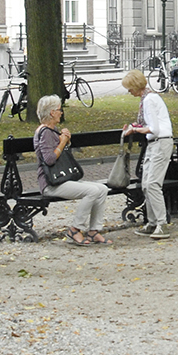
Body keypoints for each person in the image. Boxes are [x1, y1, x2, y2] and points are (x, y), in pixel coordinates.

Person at [34, 94, 112, 245]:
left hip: (62, 179)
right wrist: (63, 142)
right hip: (51, 184)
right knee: (92, 191)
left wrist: (66, 141)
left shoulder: (52, 130)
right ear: (52, 113)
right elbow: (49, 159)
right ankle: (75, 229)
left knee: (102, 189)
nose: (61, 112)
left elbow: (60, 153)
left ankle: (94, 231)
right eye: (59, 109)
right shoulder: (45, 133)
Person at [122, 68, 173, 239]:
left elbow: (154, 129)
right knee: (146, 184)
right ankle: (152, 222)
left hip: (160, 142)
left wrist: (135, 130)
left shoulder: (150, 100)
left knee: (152, 184)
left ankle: (161, 223)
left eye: (130, 88)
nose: (129, 92)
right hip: (154, 143)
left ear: (136, 86)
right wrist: (135, 127)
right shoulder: (148, 98)